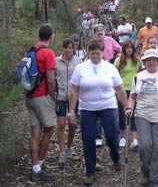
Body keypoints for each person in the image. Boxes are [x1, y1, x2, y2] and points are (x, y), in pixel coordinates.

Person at [67, 39, 128, 186]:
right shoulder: (81, 68)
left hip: (107, 105)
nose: (95, 56)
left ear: (103, 53)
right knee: (88, 139)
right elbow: (74, 89)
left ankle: (115, 157)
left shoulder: (110, 68)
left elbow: (119, 88)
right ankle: (90, 172)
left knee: (112, 137)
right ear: (88, 52)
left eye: (98, 53)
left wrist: (126, 106)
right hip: (87, 108)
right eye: (93, 53)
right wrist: (71, 110)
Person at [125, 49, 158, 187]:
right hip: (142, 115)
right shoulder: (138, 76)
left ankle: (156, 179)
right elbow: (132, 96)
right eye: (149, 59)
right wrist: (129, 107)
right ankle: (146, 172)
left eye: (154, 59)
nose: (151, 62)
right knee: (144, 146)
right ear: (145, 62)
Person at [25, 23, 58, 181]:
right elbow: (50, 79)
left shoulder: (31, 50)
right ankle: (40, 164)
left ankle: (35, 167)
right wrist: (53, 97)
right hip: (42, 96)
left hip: (29, 96)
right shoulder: (48, 53)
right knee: (50, 128)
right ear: (51, 36)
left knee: (35, 132)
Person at [55, 38, 82, 168]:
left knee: (72, 124)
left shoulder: (78, 62)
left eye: (70, 48)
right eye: (66, 47)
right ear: (63, 48)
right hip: (60, 96)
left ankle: (69, 148)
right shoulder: (56, 61)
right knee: (61, 124)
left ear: (74, 49)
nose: (68, 50)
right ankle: (61, 151)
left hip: (73, 97)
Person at [114, 40, 141, 149]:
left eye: (131, 47)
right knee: (122, 112)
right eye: (127, 47)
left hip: (134, 89)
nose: (129, 49)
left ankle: (134, 138)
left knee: (134, 113)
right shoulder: (118, 60)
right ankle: (122, 136)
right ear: (124, 49)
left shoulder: (137, 61)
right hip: (122, 89)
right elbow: (115, 75)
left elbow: (139, 74)